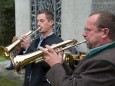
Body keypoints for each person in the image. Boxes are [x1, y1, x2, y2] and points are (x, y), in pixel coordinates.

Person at [39, 11, 115, 86]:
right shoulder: (100, 53)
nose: (83, 34)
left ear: (104, 32)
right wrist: (60, 63)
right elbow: (76, 77)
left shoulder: (105, 62)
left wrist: (55, 65)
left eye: (88, 30)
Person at [19, 9, 64, 86]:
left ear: (51, 22)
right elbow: (26, 62)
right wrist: (21, 47)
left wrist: (29, 47)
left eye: (42, 21)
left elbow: (47, 64)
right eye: (38, 21)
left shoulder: (58, 41)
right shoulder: (34, 41)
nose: (38, 24)